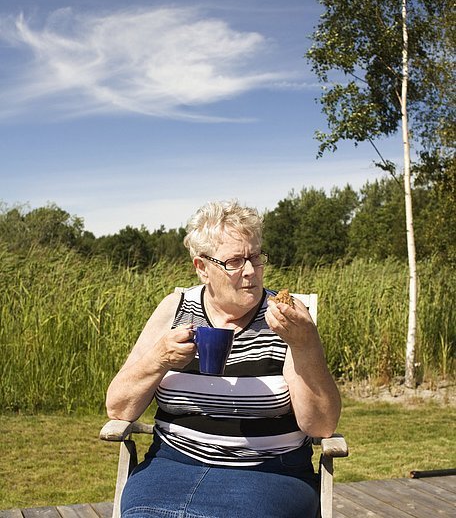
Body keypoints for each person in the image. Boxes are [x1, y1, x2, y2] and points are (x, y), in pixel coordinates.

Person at [106, 200, 341, 518]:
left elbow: (322, 424)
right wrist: (160, 358)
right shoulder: (175, 309)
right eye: (234, 262)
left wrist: (305, 345)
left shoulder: (285, 317)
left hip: (269, 473)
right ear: (202, 267)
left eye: (255, 257)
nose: (250, 271)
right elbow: (119, 408)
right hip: (171, 465)